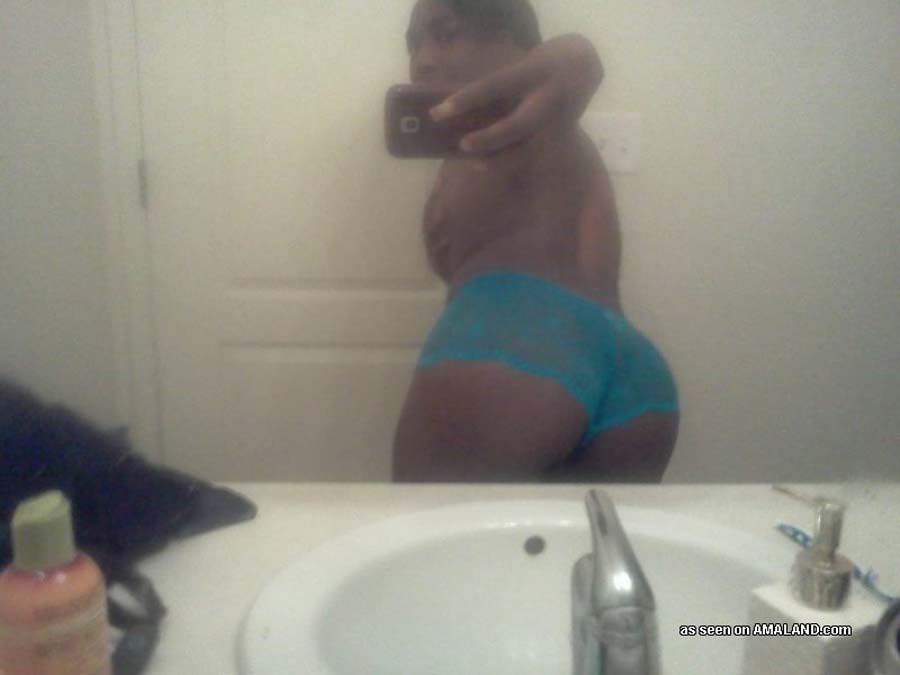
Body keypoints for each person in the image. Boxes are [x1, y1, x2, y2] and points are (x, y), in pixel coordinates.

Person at [392, 0, 679, 483]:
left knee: (430, 526)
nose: (422, 59)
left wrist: (577, 55)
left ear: (511, 42)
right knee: (584, 536)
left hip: (516, 342)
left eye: (445, 34)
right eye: (414, 44)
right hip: (636, 379)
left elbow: (573, 60)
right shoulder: (549, 140)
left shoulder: (541, 120)